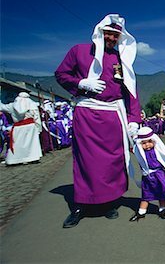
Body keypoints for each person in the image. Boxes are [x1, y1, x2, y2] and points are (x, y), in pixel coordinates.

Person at [55, 14, 142, 228]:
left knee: (113, 163)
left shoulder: (122, 60)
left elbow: (130, 92)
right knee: (86, 161)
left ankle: (108, 203)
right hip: (87, 115)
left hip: (114, 117)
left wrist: (133, 120)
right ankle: (80, 207)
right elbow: (61, 74)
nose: (112, 38)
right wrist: (82, 83)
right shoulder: (79, 51)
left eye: (116, 35)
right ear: (100, 32)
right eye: (109, 33)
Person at [129, 127, 165, 222]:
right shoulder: (140, 151)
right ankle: (141, 212)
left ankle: (162, 209)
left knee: (162, 193)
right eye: (144, 143)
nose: (147, 145)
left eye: (149, 142)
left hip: (160, 175)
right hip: (148, 176)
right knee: (146, 195)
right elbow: (133, 141)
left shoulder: (158, 150)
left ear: (154, 141)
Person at [0, 92, 42, 165]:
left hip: (18, 127)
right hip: (30, 127)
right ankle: (32, 157)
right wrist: (38, 127)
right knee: (31, 143)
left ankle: (17, 158)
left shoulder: (12, 106)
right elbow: (37, 117)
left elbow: (2, 107)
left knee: (18, 143)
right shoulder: (32, 105)